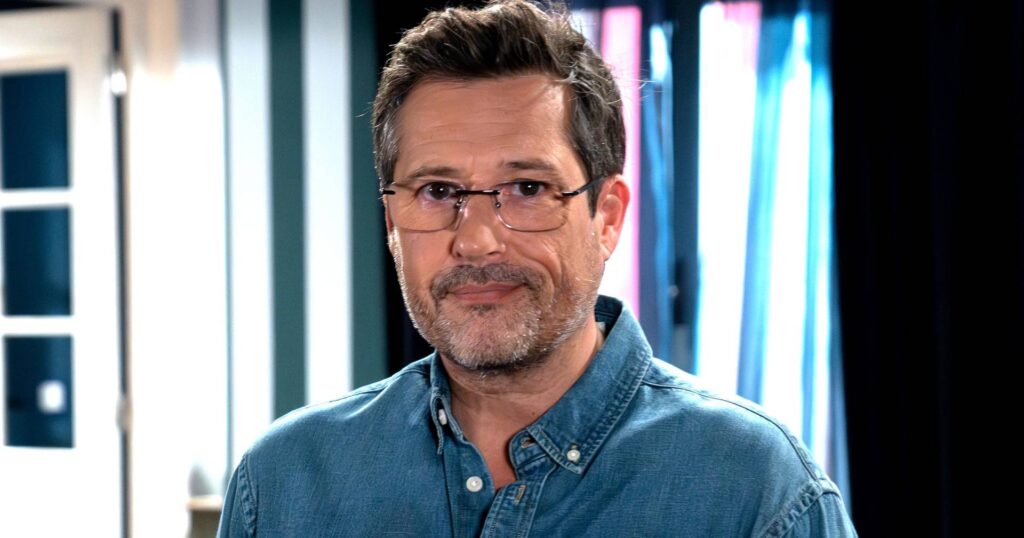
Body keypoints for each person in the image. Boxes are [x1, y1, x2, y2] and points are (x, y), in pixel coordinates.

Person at [218, 1, 858, 536]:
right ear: (392, 223)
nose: (476, 241)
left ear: (606, 218)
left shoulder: (759, 493)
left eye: (526, 188)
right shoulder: (284, 486)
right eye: (437, 191)